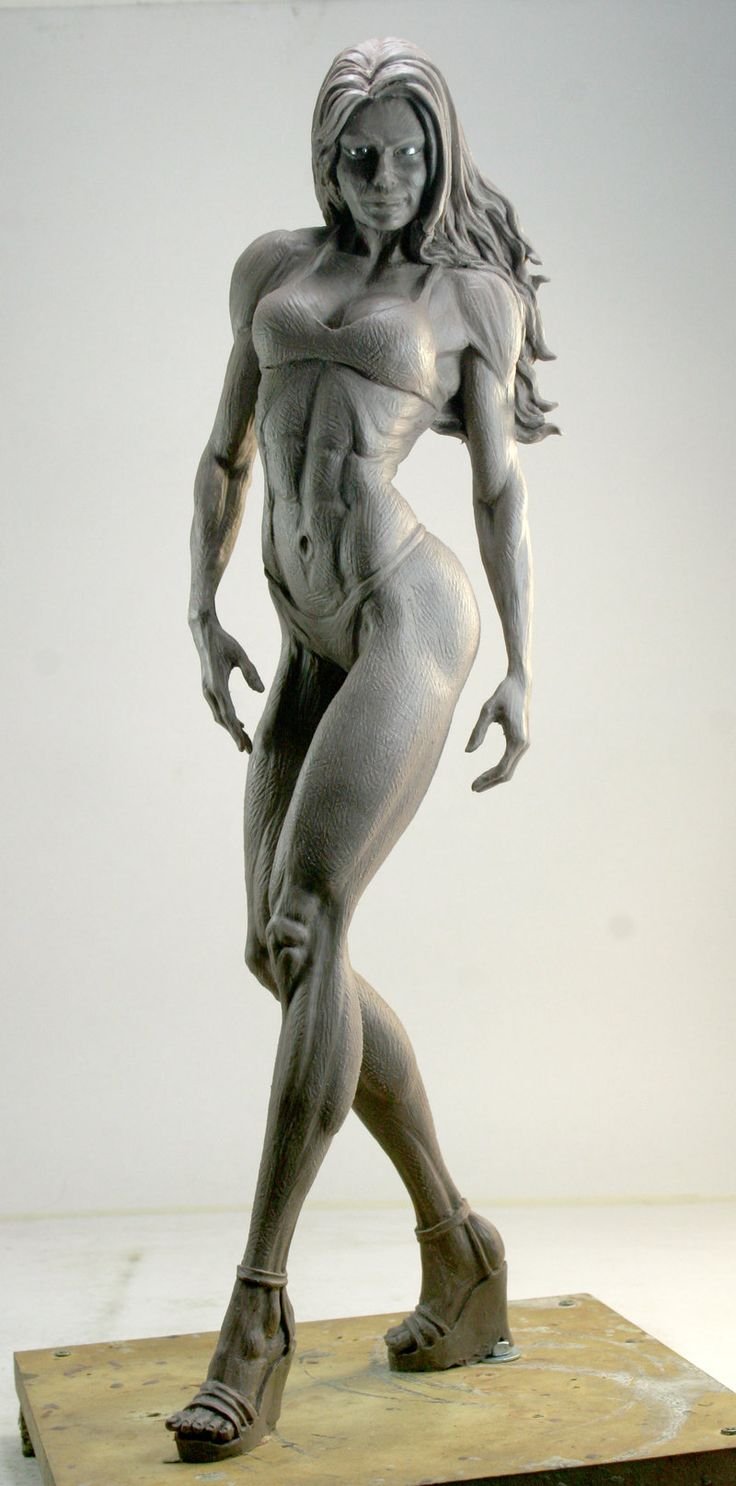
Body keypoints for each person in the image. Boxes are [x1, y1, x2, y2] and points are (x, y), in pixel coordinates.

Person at [166, 36, 557, 1464]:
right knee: (281, 956)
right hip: (303, 630)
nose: (385, 177)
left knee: (309, 917)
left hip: (407, 615)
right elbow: (225, 453)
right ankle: (460, 1248)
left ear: (437, 153)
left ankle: (256, 1319)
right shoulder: (270, 269)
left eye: (408, 152)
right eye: (359, 154)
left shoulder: (469, 297)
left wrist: (522, 667)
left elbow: (499, 492)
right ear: (326, 158)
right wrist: (200, 609)